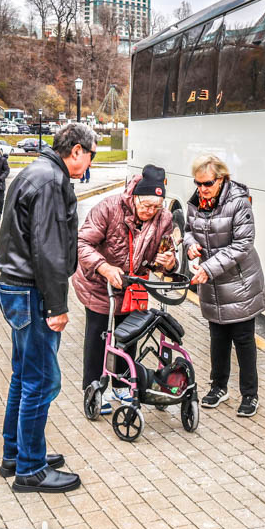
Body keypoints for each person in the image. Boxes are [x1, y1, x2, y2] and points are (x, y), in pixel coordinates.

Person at [0, 122, 96, 493]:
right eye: (91, 156)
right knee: (41, 380)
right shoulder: (51, 180)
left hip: (17, 288)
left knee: (24, 375)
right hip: (32, 292)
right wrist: (57, 306)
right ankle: (31, 469)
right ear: (77, 151)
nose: (89, 164)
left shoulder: (38, 170)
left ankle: (17, 454)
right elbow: (49, 250)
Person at [73, 164, 176, 412]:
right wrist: (104, 267)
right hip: (100, 285)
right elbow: (82, 243)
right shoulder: (109, 208)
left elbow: (165, 253)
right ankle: (93, 389)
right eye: (146, 205)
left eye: (156, 208)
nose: (150, 212)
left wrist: (169, 262)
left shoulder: (164, 219)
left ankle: (121, 385)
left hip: (134, 286)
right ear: (135, 196)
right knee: (99, 338)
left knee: (129, 336)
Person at [185, 154, 265, 418]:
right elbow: (187, 230)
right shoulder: (196, 202)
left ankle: (250, 394)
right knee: (217, 338)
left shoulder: (238, 202)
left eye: (207, 183)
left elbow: (243, 245)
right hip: (212, 283)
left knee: (243, 340)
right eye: (198, 183)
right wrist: (190, 246)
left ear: (221, 178)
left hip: (239, 283)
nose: (201, 189)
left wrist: (208, 268)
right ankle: (219, 387)